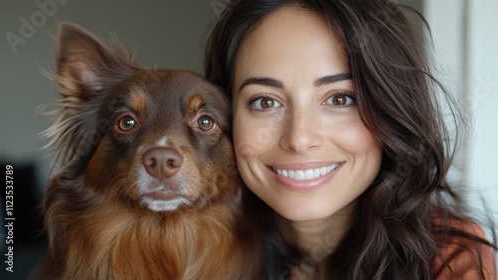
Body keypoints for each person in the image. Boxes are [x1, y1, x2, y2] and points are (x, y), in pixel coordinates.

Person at [205, 0, 497, 279]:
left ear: (390, 109)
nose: (300, 139)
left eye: (340, 98)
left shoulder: (447, 258)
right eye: (265, 103)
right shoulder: (191, 251)